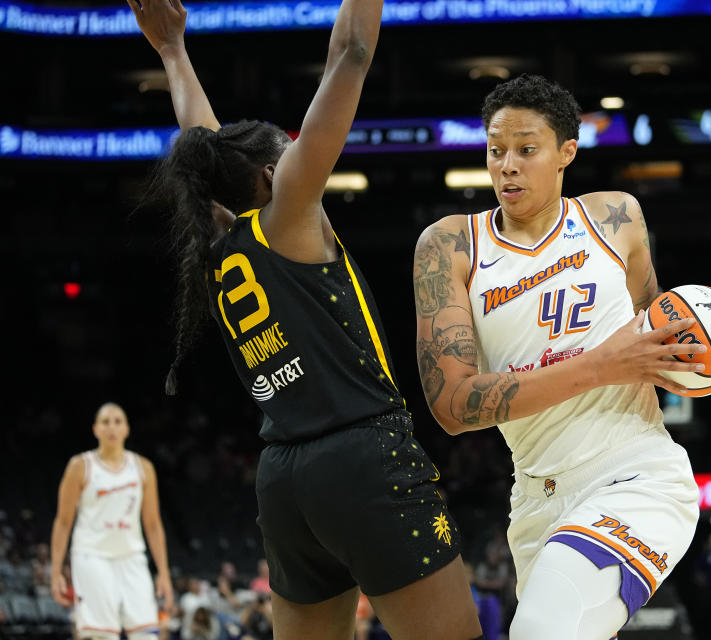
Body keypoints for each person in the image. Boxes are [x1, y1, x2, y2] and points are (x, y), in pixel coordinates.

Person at [127, 0, 482, 638]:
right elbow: (350, 52)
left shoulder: (221, 243)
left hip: (284, 478)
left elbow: (203, 146)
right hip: (361, 457)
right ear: (274, 173)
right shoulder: (290, 213)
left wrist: (173, 51)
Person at [413, 74, 711, 639]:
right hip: (535, 499)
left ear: (566, 153)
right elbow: (453, 405)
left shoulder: (615, 217)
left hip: (635, 473)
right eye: (496, 150)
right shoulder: (450, 246)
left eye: (527, 150)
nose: (507, 165)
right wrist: (603, 364)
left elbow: (658, 348)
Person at [50, 402, 174, 640]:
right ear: (96, 429)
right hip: (91, 555)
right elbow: (63, 521)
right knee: (100, 635)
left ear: (126, 429)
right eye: (105, 422)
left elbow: (153, 524)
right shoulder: (80, 466)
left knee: (147, 633)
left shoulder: (143, 468)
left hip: (132, 556)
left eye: (117, 421)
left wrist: (164, 573)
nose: (111, 427)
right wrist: (56, 571)